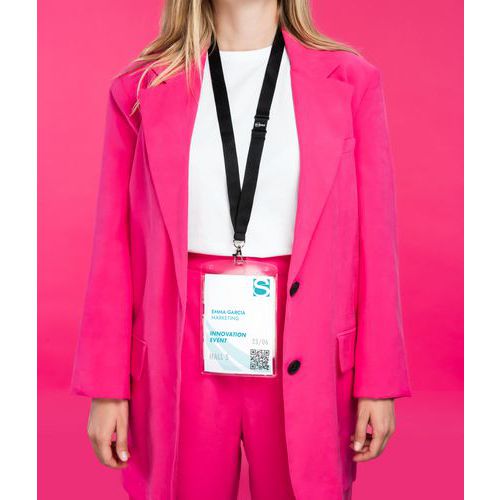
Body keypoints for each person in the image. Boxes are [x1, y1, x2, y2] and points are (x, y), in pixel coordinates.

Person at [71, 0, 411, 499]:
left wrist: (378, 382)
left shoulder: (352, 81)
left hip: (307, 341)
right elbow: (113, 243)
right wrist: (107, 388)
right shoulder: (139, 89)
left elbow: (375, 243)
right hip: (179, 342)